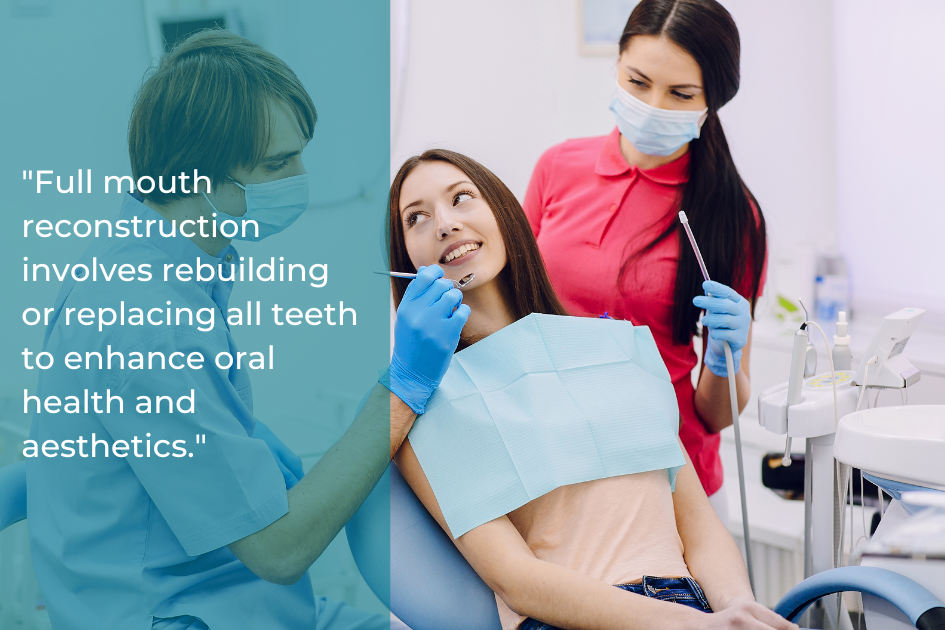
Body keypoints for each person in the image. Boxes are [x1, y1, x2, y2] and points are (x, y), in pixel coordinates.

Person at [26, 31, 466, 630]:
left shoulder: (150, 267)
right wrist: (403, 384)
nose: (301, 180)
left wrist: (237, 446)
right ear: (196, 179)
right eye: (277, 165)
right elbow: (278, 551)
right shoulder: (148, 316)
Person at [387, 148, 793, 630]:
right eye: (418, 218)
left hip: (689, 606)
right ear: (406, 260)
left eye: (462, 198)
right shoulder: (424, 402)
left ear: (503, 211)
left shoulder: (615, 346)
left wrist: (737, 609)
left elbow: (697, 522)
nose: (445, 224)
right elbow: (516, 580)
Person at [522, 0, 767, 520]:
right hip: (557, 464)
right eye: (638, 81)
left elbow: (716, 414)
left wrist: (725, 359)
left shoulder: (731, 216)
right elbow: (515, 311)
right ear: (617, 65)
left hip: (671, 487)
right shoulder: (556, 168)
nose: (654, 105)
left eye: (681, 94)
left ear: (712, 101)